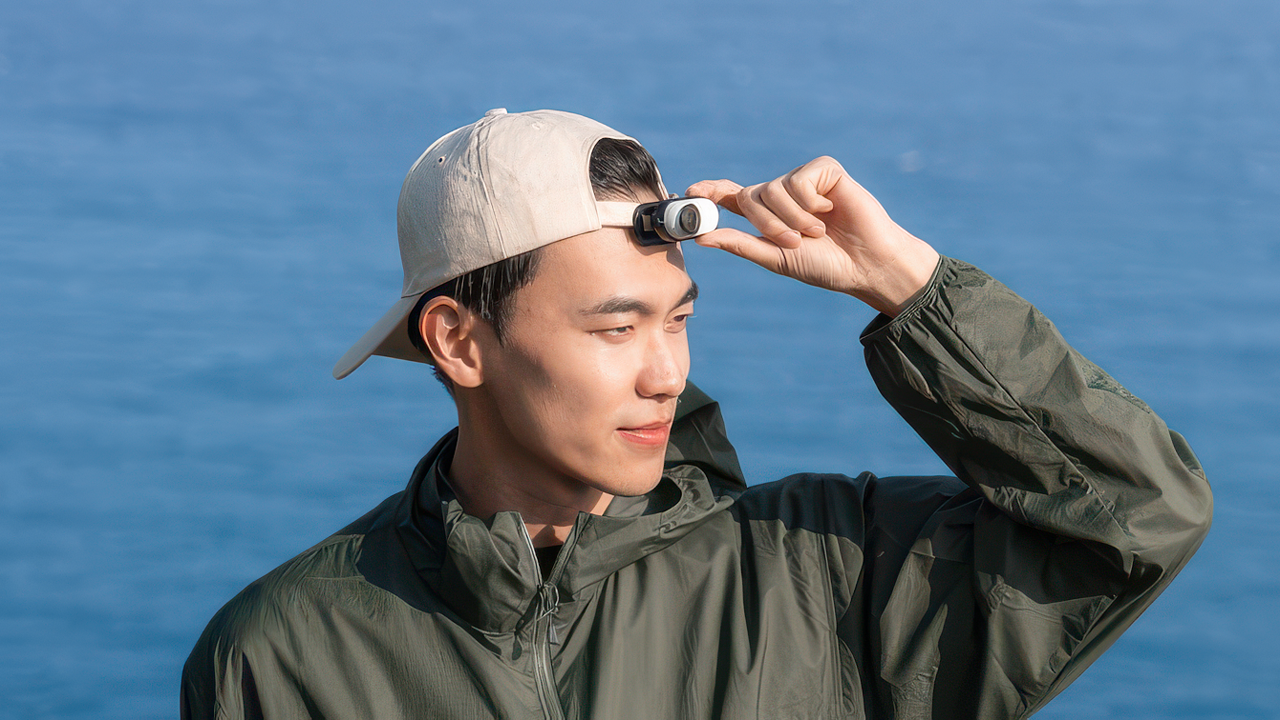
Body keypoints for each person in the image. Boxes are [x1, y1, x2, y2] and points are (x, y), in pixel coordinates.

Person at [181, 108, 1212, 720]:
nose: (667, 373)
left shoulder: (825, 575)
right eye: (614, 327)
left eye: (677, 319)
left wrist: (906, 285)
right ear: (458, 342)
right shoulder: (282, 656)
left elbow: (1135, 516)